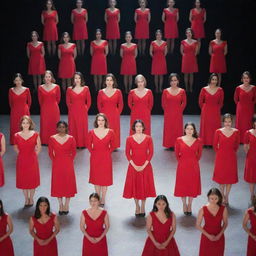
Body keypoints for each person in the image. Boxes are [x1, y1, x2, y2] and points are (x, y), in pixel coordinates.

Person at [123, 120, 156, 217]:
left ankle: (143, 206)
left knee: (144, 186)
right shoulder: (129, 139)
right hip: (133, 166)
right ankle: (137, 206)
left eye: (140, 126)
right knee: (135, 186)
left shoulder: (148, 138)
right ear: (134, 128)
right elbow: (127, 153)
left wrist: (143, 165)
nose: (138, 128)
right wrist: (134, 165)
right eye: (137, 126)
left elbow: (151, 153)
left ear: (143, 128)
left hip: (145, 166)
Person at [48, 121, 77, 215]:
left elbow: (74, 152)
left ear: (66, 128)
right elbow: (50, 152)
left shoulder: (71, 138)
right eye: (59, 127)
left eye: (63, 127)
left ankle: (67, 205)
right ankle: (60, 205)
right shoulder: (52, 138)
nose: (61, 129)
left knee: (68, 183)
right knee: (58, 184)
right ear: (57, 128)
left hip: (68, 164)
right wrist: (55, 160)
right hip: (57, 164)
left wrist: (69, 160)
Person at [174, 122, 202, 215]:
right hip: (182, 166)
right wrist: (183, 161)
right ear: (184, 130)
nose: (189, 131)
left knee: (192, 185)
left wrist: (192, 161)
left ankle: (189, 204)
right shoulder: (179, 140)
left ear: (194, 130)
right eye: (188, 129)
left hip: (193, 166)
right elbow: (177, 154)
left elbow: (199, 155)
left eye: (191, 129)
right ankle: (184, 204)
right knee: (183, 185)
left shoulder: (198, 141)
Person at [87, 114, 115, 207]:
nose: (101, 122)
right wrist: (95, 153)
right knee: (96, 177)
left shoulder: (110, 132)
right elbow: (88, 145)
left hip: (106, 158)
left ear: (105, 121)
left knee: (105, 178)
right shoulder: (91, 132)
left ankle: (103, 198)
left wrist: (107, 152)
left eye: (102, 120)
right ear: (96, 122)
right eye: (99, 120)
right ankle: (98, 196)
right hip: (95, 157)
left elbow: (113, 145)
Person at [13, 116, 41, 207]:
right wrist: (21, 155)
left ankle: (31, 198)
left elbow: (39, 148)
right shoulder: (16, 135)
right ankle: (26, 199)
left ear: (30, 124)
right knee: (24, 180)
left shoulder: (36, 134)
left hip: (32, 160)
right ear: (21, 124)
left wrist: (33, 156)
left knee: (32, 181)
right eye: (23, 123)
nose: (25, 125)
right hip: (22, 160)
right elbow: (15, 147)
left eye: (27, 123)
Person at [212, 113, 240, 205]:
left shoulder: (236, 131)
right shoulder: (218, 132)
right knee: (221, 177)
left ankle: (227, 196)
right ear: (223, 122)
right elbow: (215, 146)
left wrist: (231, 152)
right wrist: (220, 153)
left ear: (232, 122)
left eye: (229, 121)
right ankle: (222, 195)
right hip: (221, 157)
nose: (227, 123)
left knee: (229, 177)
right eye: (226, 121)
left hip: (231, 157)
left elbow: (236, 146)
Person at [196, 188, 228, 256]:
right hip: (206, 236)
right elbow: (198, 225)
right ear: (208, 198)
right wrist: (208, 236)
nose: (213, 200)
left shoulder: (223, 209)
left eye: (216, 198)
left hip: (219, 236)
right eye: (211, 198)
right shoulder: (202, 209)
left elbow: (225, 223)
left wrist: (219, 235)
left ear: (219, 198)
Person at [97, 74, 123, 149]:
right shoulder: (101, 92)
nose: (109, 82)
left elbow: (121, 104)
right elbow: (99, 104)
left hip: (114, 114)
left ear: (113, 81)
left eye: (111, 80)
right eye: (107, 80)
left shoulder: (118, 91)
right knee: (105, 128)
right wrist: (101, 115)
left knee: (114, 129)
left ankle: (114, 145)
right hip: (104, 114)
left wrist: (118, 113)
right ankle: (104, 144)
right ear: (105, 81)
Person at [66, 72, 91, 149]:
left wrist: (85, 109)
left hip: (82, 111)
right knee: (73, 127)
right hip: (73, 111)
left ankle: (83, 144)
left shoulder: (86, 88)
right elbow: (68, 101)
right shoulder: (69, 89)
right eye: (75, 78)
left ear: (81, 79)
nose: (77, 80)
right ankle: (74, 143)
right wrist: (71, 109)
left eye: (79, 78)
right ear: (73, 79)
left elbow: (89, 101)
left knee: (82, 127)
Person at [162, 73, 186, 149]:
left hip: (178, 113)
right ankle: (169, 144)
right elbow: (163, 103)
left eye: (175, 80)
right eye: (172, 80)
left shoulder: (182, 91)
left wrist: (180, 110)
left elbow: (184, 102)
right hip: (168, 113)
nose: (173, 82)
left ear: (178, 81)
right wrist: (167, 111)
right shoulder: (165, 91)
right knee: (169, 128)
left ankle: (178, 144)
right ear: (169, 82)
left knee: (177, 128)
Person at [199, 73, 224, 147]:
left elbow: (221, 102)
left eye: (216, 80)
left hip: (215, 111)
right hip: (206, 111)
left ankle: (215, 142)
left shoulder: (220, 90)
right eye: (213, 79)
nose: (214, 81)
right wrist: (204, 109)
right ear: (210, 79)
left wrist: (217, 109)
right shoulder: (204, 89)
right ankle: (205, 142)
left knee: (214, 126)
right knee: (206, 127)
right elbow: (200, 101)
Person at [38, 70, 60, 145]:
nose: (47, 78)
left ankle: (54, 140)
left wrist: (53, 105)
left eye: (49, 77)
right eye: (46, 77)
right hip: (44, 108)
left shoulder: (56, 87)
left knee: (54, 124)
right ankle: (44, 141)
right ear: (44, 78)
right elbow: (40, 100)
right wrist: (44, 106)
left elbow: (58, 99)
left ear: (51, 77)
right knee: (45, 124)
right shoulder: (40, 87)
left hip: (54, 108)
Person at [9, 73, 31, 145]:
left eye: (19, 80)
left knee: (25, 125)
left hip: (24, 111)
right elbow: (10, 102)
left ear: (22, 81)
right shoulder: (11, 90)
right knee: (15, 126)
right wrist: (14, 109)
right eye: (16, 80)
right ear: (14, 81)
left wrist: (26, 110)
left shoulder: (27, 89)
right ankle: (15, 141)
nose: (18, 82)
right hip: (15, 111)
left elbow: (29, 102)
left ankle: (26, 140)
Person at [234, 71, 256, 143]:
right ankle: (240, 139)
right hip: (241, 109)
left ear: (250, 79)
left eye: (247, 78)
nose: (246, 79)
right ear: (242, 79)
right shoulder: (238, 88)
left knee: (249, 123)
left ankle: (249, 139)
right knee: (241, 123)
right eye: (244, 78)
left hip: (250, 108)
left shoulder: (253, 88)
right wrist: (240, 105)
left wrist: (251, 104)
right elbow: (236, 99)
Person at [180, 28, 199, 92]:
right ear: (186, 34)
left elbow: (196, 51)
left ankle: (190, 87)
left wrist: (192, 56)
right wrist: (185, 56)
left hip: (192, 58)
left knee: (191, 74)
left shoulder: (195, 42)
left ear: (192, 34)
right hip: (185, 58)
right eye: (187, 33)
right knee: (186, 74)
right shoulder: (183, 42)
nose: (188, 34)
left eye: (190, 33)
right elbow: (181, 51)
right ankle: (186, 87)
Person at [244, 117, 256, 201]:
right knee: (252, 178)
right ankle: (252, 195)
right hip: (252, 157)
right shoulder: (248, 133)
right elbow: (245, 146)